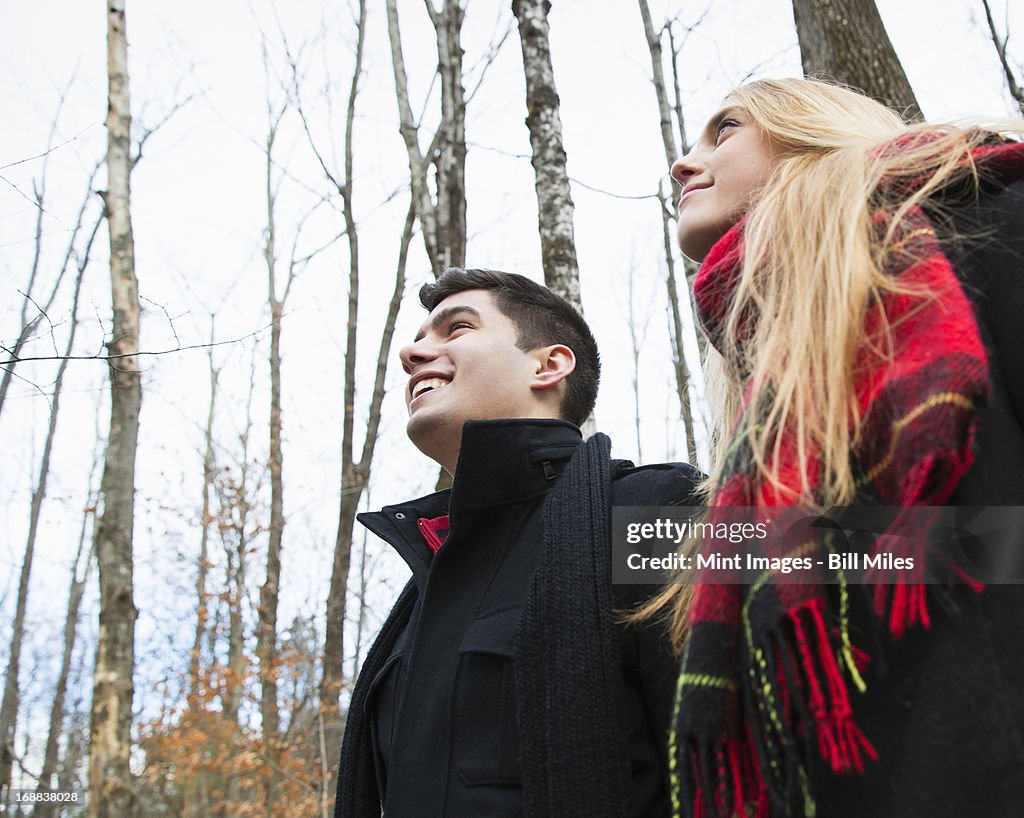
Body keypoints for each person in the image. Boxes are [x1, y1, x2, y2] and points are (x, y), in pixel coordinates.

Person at [656, 78, 1024, 818]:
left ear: (816, 129)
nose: (682, 165)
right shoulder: (763, 409)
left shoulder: (985, 223)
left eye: (723, 129)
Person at [333, 268, 701, 817]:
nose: (412, 354)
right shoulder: (422, 591)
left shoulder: (655, 510)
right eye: (417, 339)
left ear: (548, 365)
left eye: (455, 328)